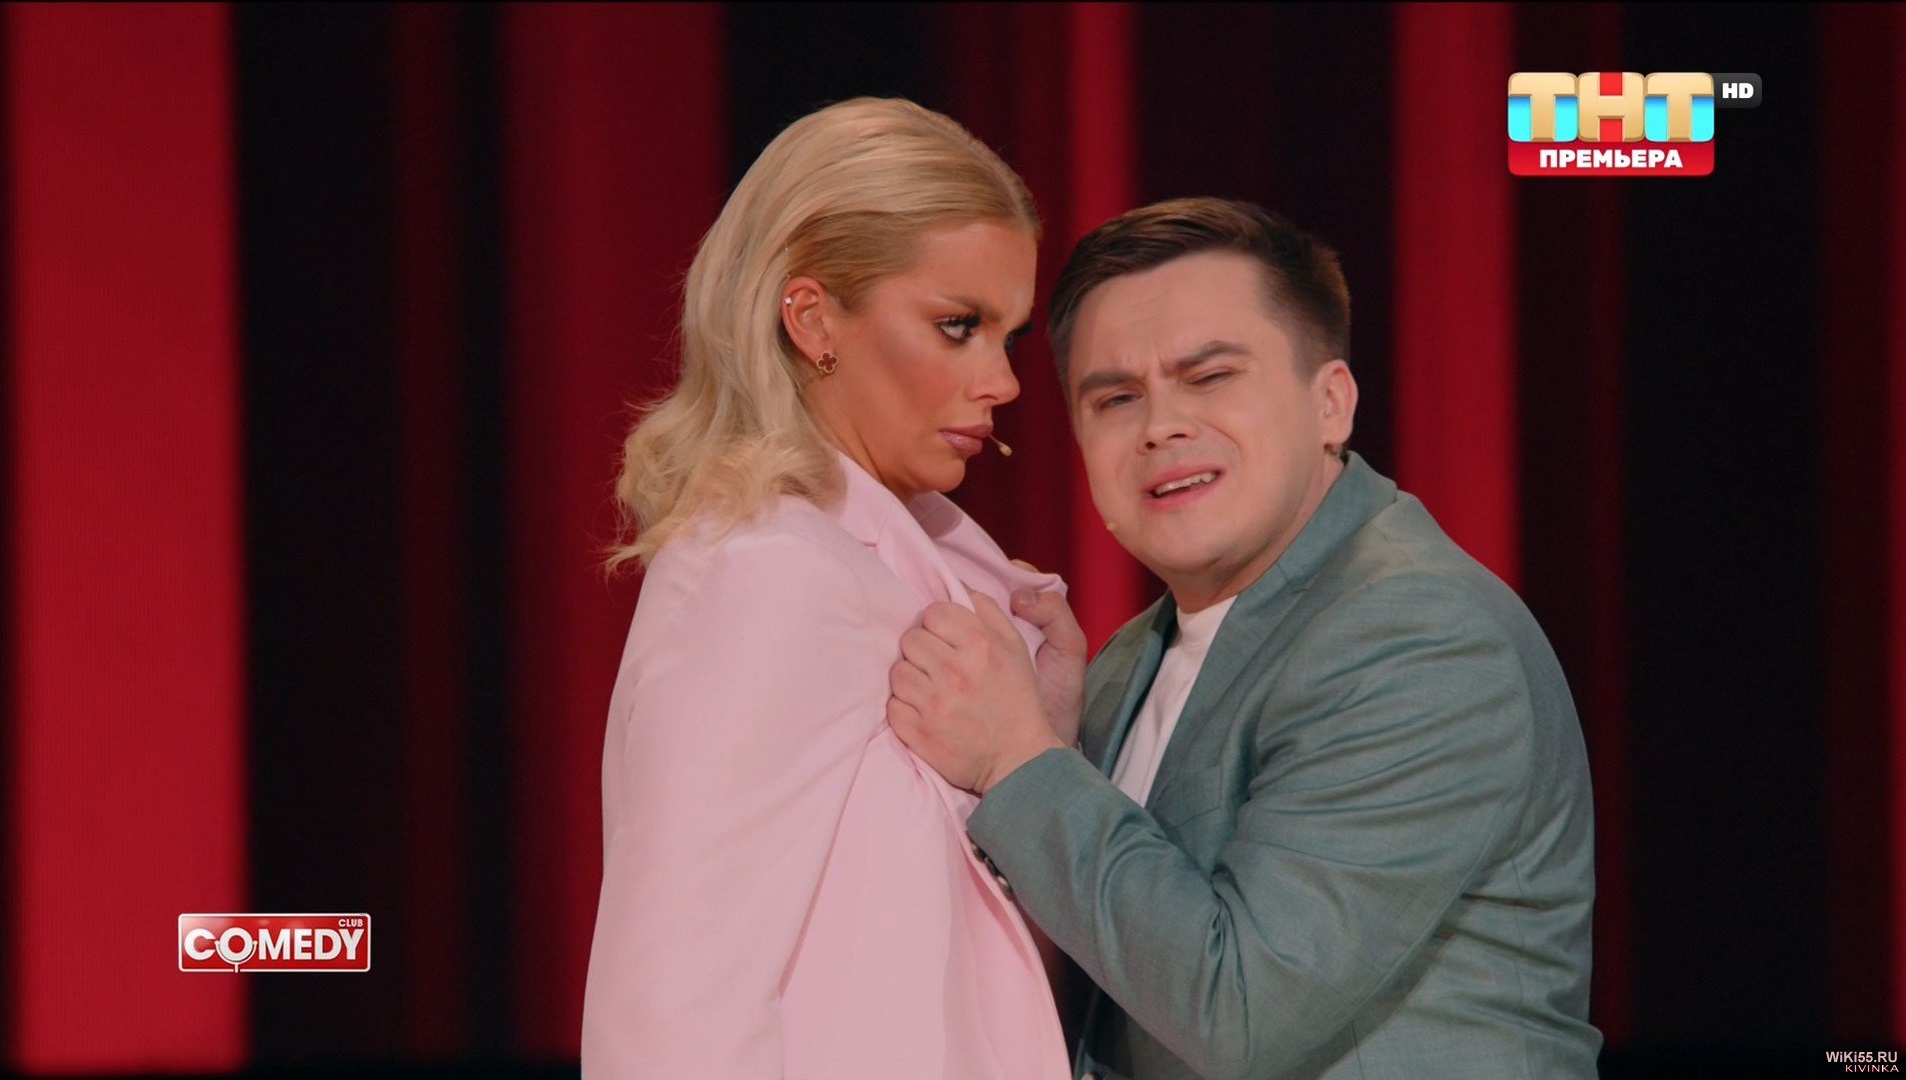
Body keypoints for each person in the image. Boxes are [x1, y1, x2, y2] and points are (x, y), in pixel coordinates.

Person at [888, 198, 1602, 1079]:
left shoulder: (1419, 633)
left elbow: (1243, 1010)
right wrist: (1061, 741)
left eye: (1211, 376)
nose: (1160, 426)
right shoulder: (1127, 661)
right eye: (1116, 398)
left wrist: (1020, 760)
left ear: (1331, 403)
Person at [580, 98, 1070, 1079]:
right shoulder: (766, 570)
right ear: (811, 319)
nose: (1004, 383)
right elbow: (674, 998)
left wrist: (1044, 735)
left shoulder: (914, 557)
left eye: (1007, 337)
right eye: (958, 326)